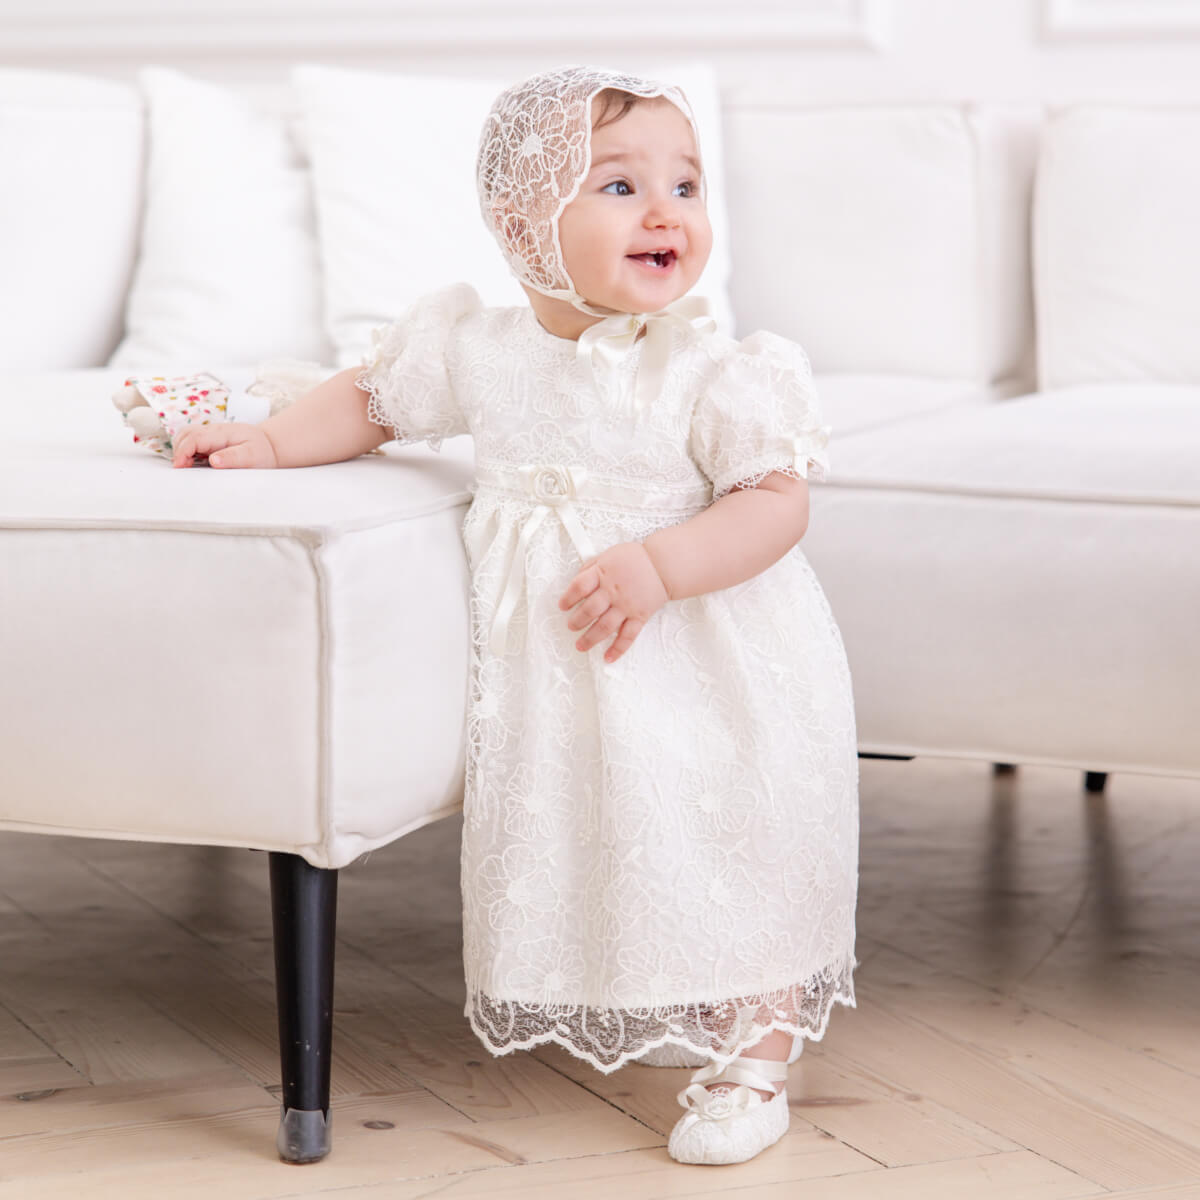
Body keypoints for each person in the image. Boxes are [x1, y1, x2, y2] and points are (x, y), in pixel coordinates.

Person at [172, 64, 859, 1167]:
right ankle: (645, 988)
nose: (667, 210)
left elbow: (777, 505)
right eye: (621, 186)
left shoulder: (712, 370)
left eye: (687, 183)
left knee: (732, 828)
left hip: (706, 649)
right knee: (617, 832)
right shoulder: (481, 347)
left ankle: (754, 1051)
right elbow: (369, 400)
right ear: (523, 221)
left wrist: (663, 567)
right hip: (570, 664)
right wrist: (269, 443)